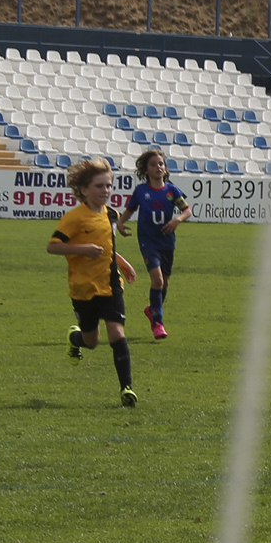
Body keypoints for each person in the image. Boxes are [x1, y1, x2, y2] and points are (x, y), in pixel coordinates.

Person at [48, 157, 138, 407]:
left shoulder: (112, 214)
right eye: (99, 186)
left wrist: (123, 263)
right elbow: (52, 247)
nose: (106, 190)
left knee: (117, 333)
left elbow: (107, 245)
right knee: (91, 341)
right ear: (84, 190)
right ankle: (74, 339)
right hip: (83, 288)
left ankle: (126, 389)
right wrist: (82, 249)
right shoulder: (74, 218)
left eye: (108, 185)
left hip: (111, 285)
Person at [117, 149, 188, 341]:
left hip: (167, 242)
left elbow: (187, 210)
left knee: (163, 283)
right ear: (146, 170)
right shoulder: (141, 191)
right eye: (153, 164)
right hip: (148, 242)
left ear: (165, 169)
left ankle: (152, 310)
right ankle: (158, 323)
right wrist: (121, 223)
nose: (158, 167)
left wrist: (177, 220)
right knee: (157, 280)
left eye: (161, 164)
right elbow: (129, 209)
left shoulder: (172, 191)